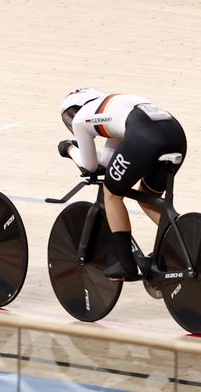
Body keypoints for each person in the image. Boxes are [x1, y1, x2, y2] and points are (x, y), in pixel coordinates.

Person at [58, 89, 187, 281]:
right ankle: (189, 242)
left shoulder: (80, 119)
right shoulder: (111, 105)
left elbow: (90, 166)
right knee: (149, 197)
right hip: (175, 134)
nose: (71, 120)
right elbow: (110, 159)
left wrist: (69, 149)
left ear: (74, 110)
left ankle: (126, 264)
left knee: (111, 193)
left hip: (144, 136)